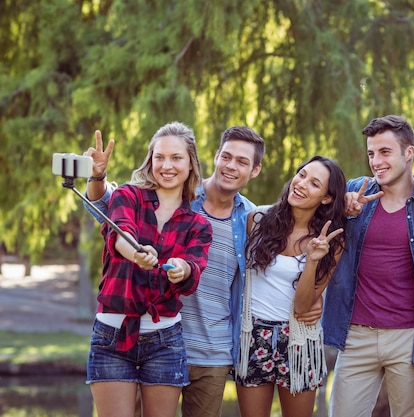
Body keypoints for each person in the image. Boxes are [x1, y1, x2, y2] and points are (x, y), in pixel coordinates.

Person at [84, 126, 324, 417]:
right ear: (214, 157)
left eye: (242, 161)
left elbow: (283, 263)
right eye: (227, 156)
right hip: (156, 334)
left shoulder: (256, 221)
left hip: (212, 352)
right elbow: (110, 207)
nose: (231, 166)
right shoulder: (175, 190)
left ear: (255, 170)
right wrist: (97, 177)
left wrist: (317, 294)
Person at [85, 121, 213, 417]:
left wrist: (181, 268)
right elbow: (120, 235)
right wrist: (137, 254)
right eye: (160, 157)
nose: (166, 166)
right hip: (111, 334)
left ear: (191, 164)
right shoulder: (127, 196)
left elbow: (193, 268)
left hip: (164, 340)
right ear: (150, 161)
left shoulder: (199, 225)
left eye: (176, 158)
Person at [323, 115, 414, 417]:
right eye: (371, 153)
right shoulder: (357, 191)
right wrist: (341, 210)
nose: (376, 161)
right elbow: (304, 218)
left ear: (408, 153)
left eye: (385, 152)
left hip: (408, 337)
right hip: (357, 334)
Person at [234, 155, 347, 417]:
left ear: (327, 198)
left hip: (299, 343)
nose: (301, 183)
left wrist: (312, 261)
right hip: (253, 337)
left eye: (314, 183)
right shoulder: (256, 220)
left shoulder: (331, 242)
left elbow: (303, 305)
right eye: (302, 174)